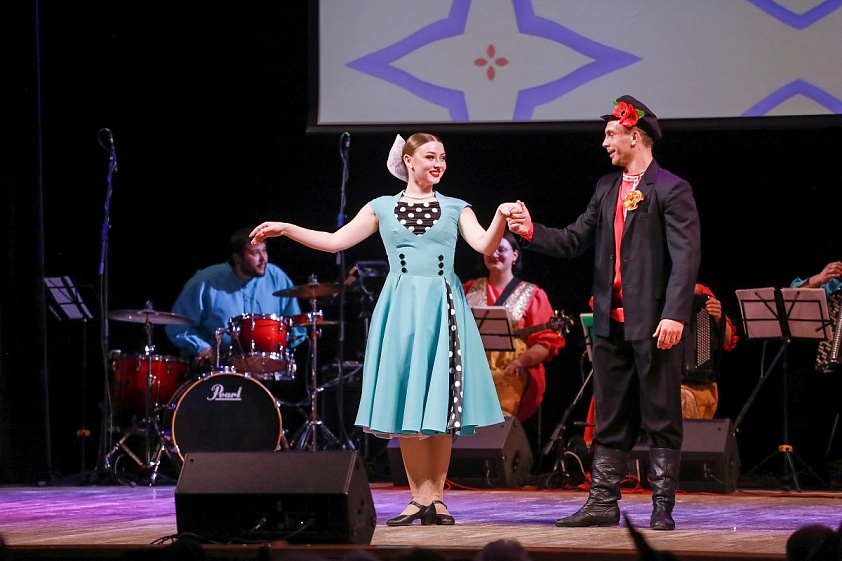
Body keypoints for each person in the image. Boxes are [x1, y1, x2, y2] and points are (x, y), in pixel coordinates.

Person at [250, 133, 519, 526]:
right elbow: (335, 241)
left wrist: (500, 216)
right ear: (408, 160)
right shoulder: (382, 207)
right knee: (408, 397)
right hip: (402, 308)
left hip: (443, 309)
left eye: (443, 157)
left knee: (442, 403)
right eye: (430, 156)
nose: (438, 164)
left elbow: (483, 244)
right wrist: (288, 228)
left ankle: (437, 499)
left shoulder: (456, 207)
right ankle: (418, 497)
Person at [508, 95, 701, 531]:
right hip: (609, 324)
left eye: (611, 134)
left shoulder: (671, 189)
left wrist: (675, 314)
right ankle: (602, 502)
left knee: (661, 415)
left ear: (636, 136)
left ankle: (662, 506)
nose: (605, 143)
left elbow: (685, 258)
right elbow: (575, 239)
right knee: (610, 416)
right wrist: (530, 230)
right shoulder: (606, 187)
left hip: (654, 323)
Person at [165, 227, 303, 372]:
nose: (263, 259)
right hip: (216, 369)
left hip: (267, 370)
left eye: (264, 250)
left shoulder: (277, 278)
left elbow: (296, 326)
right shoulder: (205, 282)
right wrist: (202, 347)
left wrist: (282, 348)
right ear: (238, 258)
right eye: (255, 253)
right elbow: (177, 326)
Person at [462, 231, 565, 421]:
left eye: (501, 249)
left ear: (515, 255)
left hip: (510, 369)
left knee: (505, 390)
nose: (494, 254)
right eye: (489, 249)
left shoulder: (533, 294)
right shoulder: (467, 289)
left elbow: (545, 342)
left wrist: (521, 362)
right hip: (470, 368)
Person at [680, 283, 739, 420]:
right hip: (662, 380)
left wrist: (718, 316)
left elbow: (728, 339)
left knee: (683, 402)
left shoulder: (700, 292)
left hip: (696, 384)